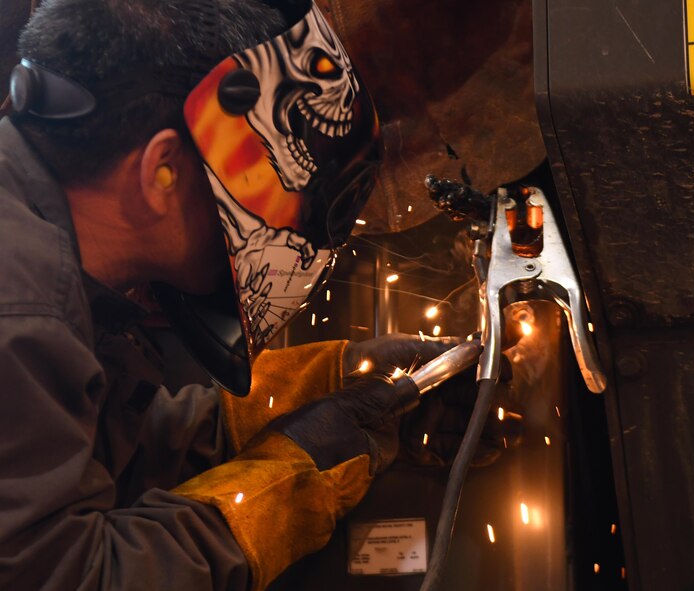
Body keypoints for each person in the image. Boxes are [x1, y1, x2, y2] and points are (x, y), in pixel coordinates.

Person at [0, 1, 462, 589]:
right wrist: (283, 489)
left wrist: (322, 390)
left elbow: (80, 452)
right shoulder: (19, 313)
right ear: (161, 171)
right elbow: (70, 577)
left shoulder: (36, 243)